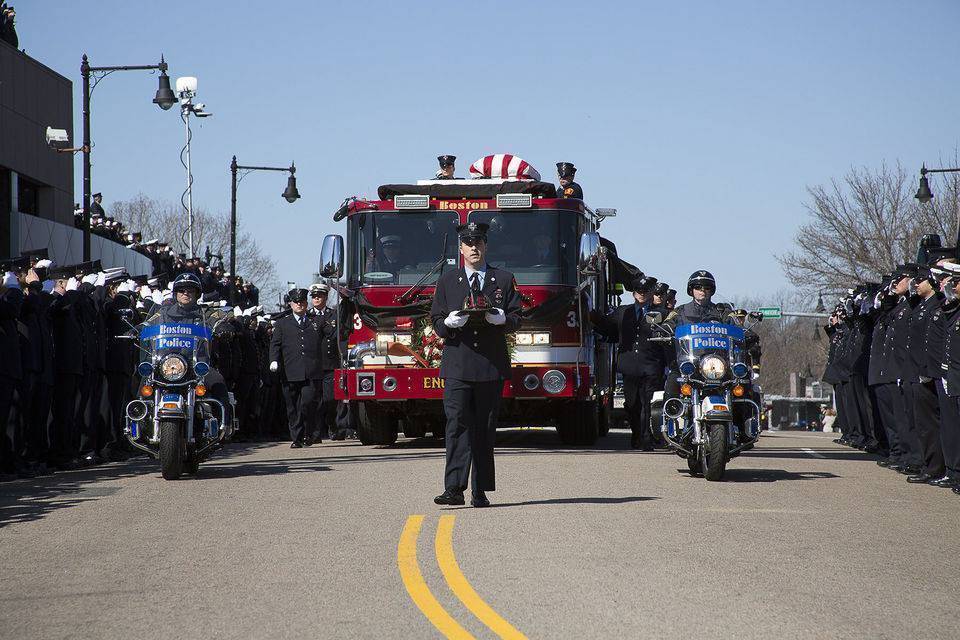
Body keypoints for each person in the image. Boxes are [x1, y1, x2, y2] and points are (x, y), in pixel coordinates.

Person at [430, 221, 522, 507]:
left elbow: (518, 316)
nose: (474, 247)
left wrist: (503, 319)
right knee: (457, 424)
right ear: (461, 249)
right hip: (458, 365)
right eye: (469, 243)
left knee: (484, 427)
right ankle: (454, 489)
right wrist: (447, 323)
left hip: (489, 367)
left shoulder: (503, 279)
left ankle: (479, 490)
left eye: (478, 242)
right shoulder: (447, 281)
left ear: (486, 246)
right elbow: (435, 319)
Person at [590, 274, 666, 450]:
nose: (641, 294)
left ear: (651, 293)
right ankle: (637, 433)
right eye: (638, 291)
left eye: (645, 291)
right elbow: (607, 326)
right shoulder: (623, 312)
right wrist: (591, 316)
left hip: (651, 364)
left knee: (648, 403)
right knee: (632, 404)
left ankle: (646, 438)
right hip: (629, 365)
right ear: (633, 294)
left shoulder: (662, 314)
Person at [270, 288, 326, 448]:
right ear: (291, 304)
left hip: (311, 371)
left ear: (306, 304)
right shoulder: (282, 323)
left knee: (308, 403)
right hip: (290, 371)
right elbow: (275, 344)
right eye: (296, 302)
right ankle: (297, 437)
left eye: (302, 302)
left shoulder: (316, 321)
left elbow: (331, 335)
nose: (299, 304)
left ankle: (309, 433)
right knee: (292, 407)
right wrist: (273, 360)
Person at [309, 283, 339, 440]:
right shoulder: (307, 316)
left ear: (325, 297)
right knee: (314, 401)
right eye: (313, 296)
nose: (316, 299)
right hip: (313, 365)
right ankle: (316, 432)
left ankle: (332, 424)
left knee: (330, 399)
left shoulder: (333, 314)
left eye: (319, 296)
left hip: (329, 363)